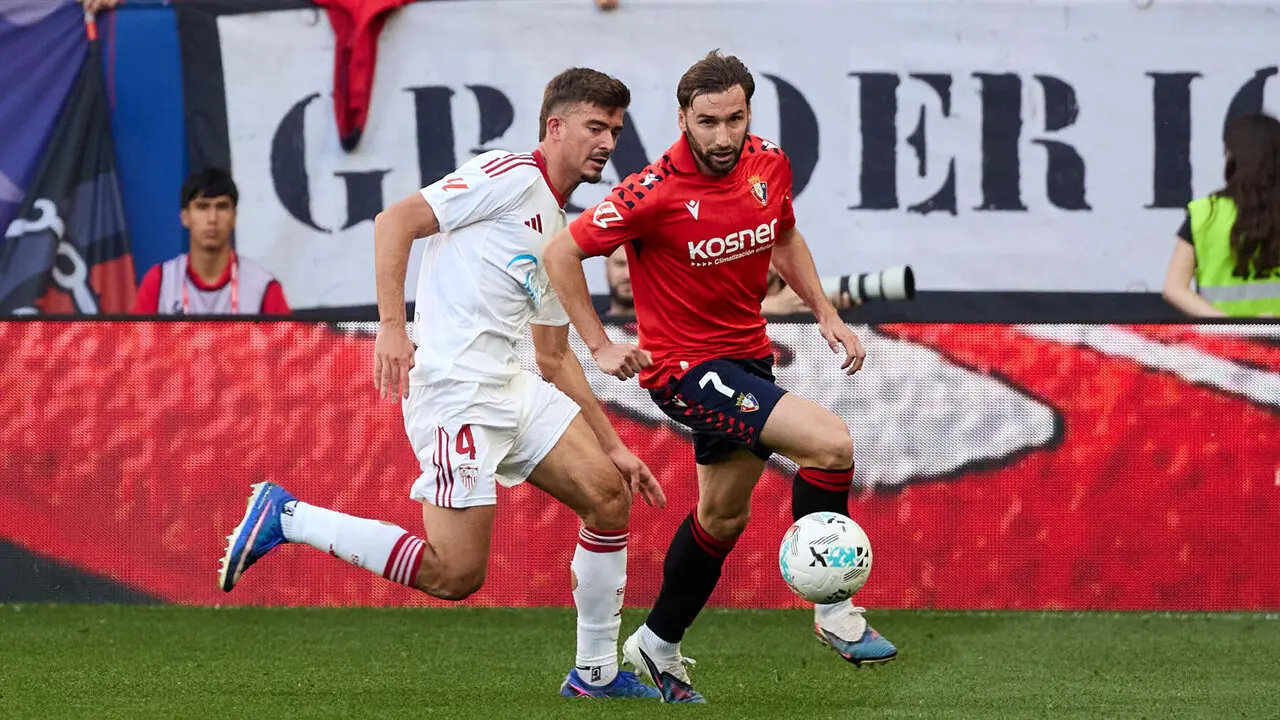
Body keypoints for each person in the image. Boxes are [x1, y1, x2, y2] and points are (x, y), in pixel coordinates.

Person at [217, 68, 666, 700]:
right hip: (457, 394)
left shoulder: (561, 233)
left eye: (615, 131)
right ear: (555, 126)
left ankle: (594, 675)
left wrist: (615, 446)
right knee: (455, 575)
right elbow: (394, 221)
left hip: (512, 388)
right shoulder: (508, 175)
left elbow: (553, 355)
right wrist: (392, 328)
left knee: (608, 496)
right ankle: (288, 516)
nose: (608, 143)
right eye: (596, 127)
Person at [544, 51, 897, 704]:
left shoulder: (769, 164)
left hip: (747, 359)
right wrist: (599, 344)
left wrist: (825, 313)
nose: (723, 136)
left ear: (749, 113)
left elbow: (784, 237)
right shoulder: (651, 192)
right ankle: (836, 611)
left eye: (735, 119)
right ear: (683, 118)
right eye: (707, 122)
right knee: (831, 444)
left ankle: (656, 643)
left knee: (723, 517)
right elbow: (561, 251)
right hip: (683, 370)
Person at [1162, 113, 1280, 318]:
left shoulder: (1205, 213)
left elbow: (1174, 287)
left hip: (1221, 337)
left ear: (1230, 155)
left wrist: (1227, 325)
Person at [132, 169, 291, 315]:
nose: (212, 218)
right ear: (185, 217)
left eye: (222, 207)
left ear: (234, 217)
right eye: (202, 207)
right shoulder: (160, 282)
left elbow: (289, 338)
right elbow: (136, 338)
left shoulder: (263, 287)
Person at [604, 247, 634, 317]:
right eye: (620, 264)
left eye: (637, 264)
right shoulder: (582, 322)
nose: (628, 275)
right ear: (607, 267)